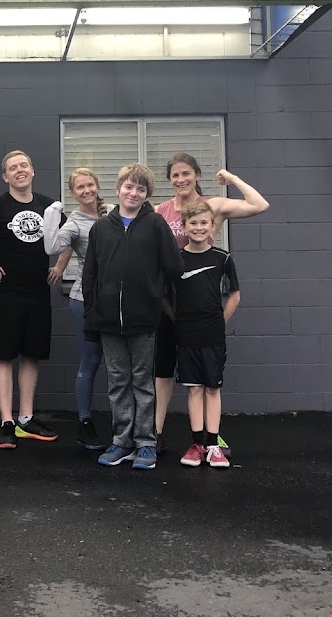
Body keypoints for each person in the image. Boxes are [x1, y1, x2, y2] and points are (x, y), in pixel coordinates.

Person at [154, 153, 268, 454]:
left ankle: (211, 438)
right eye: (175, 175)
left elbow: (259, 205)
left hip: (201, 305)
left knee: (208, 379)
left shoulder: (213, 205)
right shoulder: (160, 211)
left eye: (186, 173)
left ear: (197, 175)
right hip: (170, 302)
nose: (181, 179)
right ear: (169, 180)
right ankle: (156, 432)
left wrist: (232, 179)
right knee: (164, 369)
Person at [82, 163, 183, 470]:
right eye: (129, 186)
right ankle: (122, 441)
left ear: (147, 195)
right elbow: (90, 275)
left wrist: (152, 291)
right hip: (108, 321)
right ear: (118, 189)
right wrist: (93, 314)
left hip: (144, 320)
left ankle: (146, 443)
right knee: (117, 382)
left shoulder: (155, 224)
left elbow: (174, 267)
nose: (134, 193)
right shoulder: (101, 228)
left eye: (141, 189)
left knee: (142, 381)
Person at [0, 150, 69, 449]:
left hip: (37, 293)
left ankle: (26, 419)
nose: (19, 170)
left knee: (31, 355)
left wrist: (59, 266)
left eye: (24, 165)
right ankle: (7, 422)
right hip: (6, 292)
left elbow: (72, 235)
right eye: (13, 167)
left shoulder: (48, 206)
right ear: (5, 176)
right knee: (4, 356)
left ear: (32, 170)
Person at [42, 168, 108, 451]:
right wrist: (51, 216)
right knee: (90, 361)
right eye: (80, 187)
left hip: (117, 300)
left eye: (90, 184)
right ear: (72, 193)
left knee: (120, 364)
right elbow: (52, 246)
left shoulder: (112, 213)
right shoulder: (74, 223)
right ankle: (84, 423)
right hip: (85, 301)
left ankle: (128, 424)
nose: (86, 190)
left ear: (97, 186)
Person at [172, 201, 240, 469]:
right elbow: (165, 297)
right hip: (186, 335)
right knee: (194, 389)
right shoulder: (176, 259)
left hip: (213, 335)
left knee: (212, 387)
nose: (198, 228)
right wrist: (178, 320)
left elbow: (234, 295)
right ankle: (197, 445)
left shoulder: (222, 258)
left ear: (212, 227)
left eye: (204, 223)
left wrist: (220, 322)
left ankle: (213, 445)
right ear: (184, 227)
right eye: (193, 223)